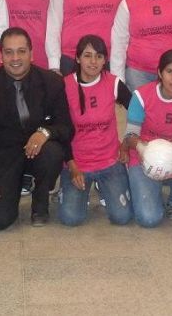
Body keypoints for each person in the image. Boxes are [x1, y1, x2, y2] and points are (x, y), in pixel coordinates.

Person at [0, 27, 73, 229]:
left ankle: (40, 201)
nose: (15, 58)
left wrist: (44, 133)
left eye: (21, 51)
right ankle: (16, 182)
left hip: (40, 152)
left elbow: (66, 127)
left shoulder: (52, 82)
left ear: (32, 54)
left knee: (53, 152)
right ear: (0, 56)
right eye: (9, 52)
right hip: (4, 154)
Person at [119, 49, 172, 227]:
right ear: (159, 73)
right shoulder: (141, 96)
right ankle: (145, 187)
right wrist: (143, 150)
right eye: (170, 72)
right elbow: (130, 135)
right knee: (149, 219)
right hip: (141, 156)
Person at [59, 35, 133, 227]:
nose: (93, 62)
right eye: (87, 56)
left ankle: (104, 186)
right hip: (77, 164)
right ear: (77, 58)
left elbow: (137, 113)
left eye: (99, 56)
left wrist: (126, 144)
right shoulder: (64, 86)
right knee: (71, 218)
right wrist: (72, 166)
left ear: (105, 60)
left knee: (122, 218)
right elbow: (60, 131)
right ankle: (68, 189)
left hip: (109, 161)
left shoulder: (114, 83)